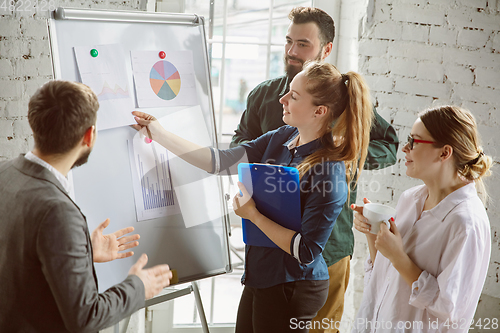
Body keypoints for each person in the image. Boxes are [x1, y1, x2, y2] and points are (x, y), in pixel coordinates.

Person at [132, 60, 373, 332]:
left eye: (293, 96)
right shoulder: (282, 137)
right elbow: (220, 161)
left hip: (292, 285)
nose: (282, 99)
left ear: (319, 111)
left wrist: (253, 216)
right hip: (263, 275)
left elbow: (306, 251)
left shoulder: (328, 171)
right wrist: (159, 133)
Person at [230, 6, 399, 332]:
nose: (292, 51)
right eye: (288, 41)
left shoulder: (344, 100)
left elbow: (389, 146)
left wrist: (340, 155)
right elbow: (241, 143)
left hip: (327, 248)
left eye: (303, 44)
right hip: (268, 243)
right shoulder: (266, 95)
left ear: (326, 48)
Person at [0, 80, 173, 332]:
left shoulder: (6, 172)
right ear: (89, 135)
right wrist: (138, 287)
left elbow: (17, 258)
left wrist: (82, 253)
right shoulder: (57, 212)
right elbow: (85, 318)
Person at [351, 105, 492, 333]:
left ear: (444, 153)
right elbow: (384, 278)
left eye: (414, 141)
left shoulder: (466, 223)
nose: (405, 148)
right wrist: (372, 233)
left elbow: (449, 310)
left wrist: (398, 256)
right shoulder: (410, 199)